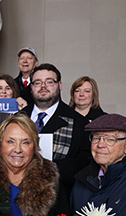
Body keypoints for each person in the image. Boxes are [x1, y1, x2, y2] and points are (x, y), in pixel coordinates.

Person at [22, 63, 90, 196]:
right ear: (31, 87)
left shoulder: (78, 122)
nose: (43, 86)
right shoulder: (17, 118)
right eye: (37, 82)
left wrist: (48, 169)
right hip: (18, 196)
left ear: (59, 86)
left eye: (49, 82)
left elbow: (83, 163)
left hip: (59, 198)